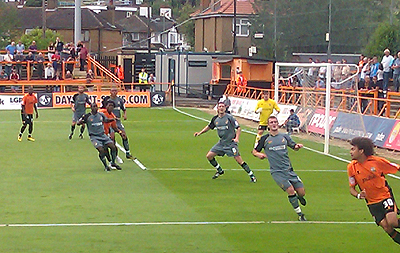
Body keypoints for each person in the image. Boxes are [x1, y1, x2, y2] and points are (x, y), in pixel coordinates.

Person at [252, 115, 307, 221]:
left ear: (278, 124)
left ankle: (299, 197)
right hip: (277, 172)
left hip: (289, 170)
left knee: (302, 192)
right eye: (271, 122)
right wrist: (259, 155)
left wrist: (297, 147)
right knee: (290, 190)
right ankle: (300, 214)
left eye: (275, 122)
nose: (273, 124)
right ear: (268, 125)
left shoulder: (284, 137)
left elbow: (293, 146)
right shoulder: (265, 139)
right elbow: (254, 151)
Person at [347, 137, 400, 245]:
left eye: (353, 149)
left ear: (361, 151)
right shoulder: (351, 167)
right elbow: (351, 188)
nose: (350, 152)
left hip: (385, 196)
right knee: (386, 227)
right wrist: (358, 195)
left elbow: (396, 167)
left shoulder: (376, 162)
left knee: (392, 222)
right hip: (372, 203)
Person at [194, 102, 257, 182]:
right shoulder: (215, 119)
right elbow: (209, 127)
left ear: (225, 108)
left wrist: (237, 138)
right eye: (220, 106)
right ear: (217, 108)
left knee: (239, 160)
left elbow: (238, 128)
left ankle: (252, 175)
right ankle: (219, 170)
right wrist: (199, 133)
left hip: (230, 143)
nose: (221, 108)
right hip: (221, 143)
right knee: (209, 156)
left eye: (223, 106)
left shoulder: (230, 118)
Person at [77, 103, 122, 172]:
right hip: (94, 137)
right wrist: (81, 122)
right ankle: (106, 166)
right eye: (93, 107)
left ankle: (113, 163)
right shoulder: (87, 116)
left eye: (96, 107)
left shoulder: (101, 115)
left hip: (103, 135)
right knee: (101, 150)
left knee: (113, 147)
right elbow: (78, 123)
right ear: (91, 108)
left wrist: (113, 119)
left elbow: (106, 120)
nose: (95, 108)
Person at [102, 87, 133, 159]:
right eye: (112, 90)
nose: (114, 92)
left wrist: (124, 115)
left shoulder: (120, 100)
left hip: (117, 121)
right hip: (110, 122)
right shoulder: (107, 100)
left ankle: (128, 153)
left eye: (115, 90)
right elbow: (102, 109)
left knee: (124, 135)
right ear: (110, 92)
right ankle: (114, 154)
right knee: (112, 138)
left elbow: (124, 109)